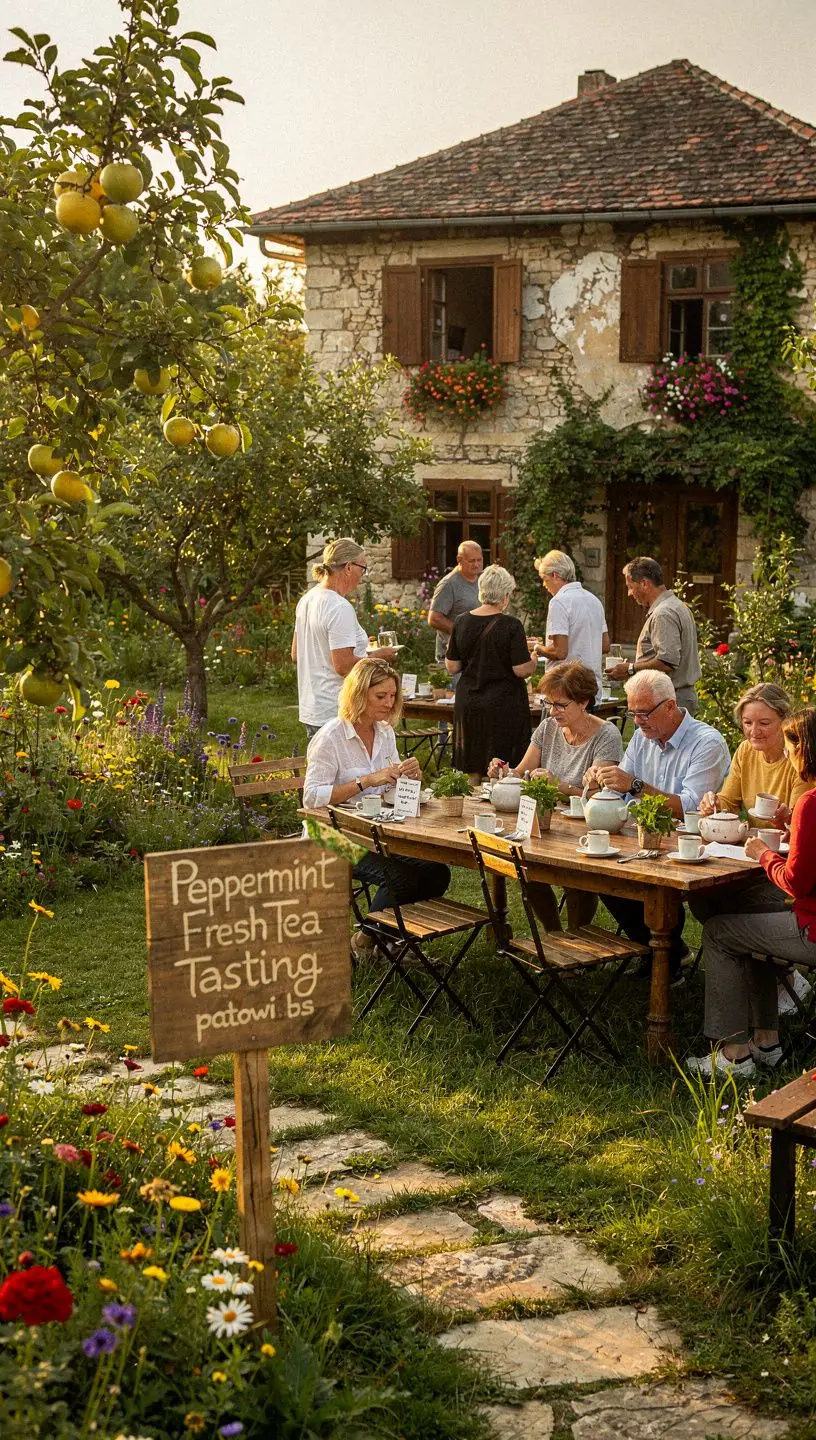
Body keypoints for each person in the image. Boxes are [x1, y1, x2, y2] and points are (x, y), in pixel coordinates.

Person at [686, 707, 816, 1080]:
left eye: (793, 746)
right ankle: (766, 1042)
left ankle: (734, 1054)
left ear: (805, 749)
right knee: (749, 919)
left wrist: (763, 854)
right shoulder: (807, 805)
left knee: (721, 932)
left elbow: (796, 882)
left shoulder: (811, 802)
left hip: (812, 926)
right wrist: (791, 828)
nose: (790, 755)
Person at [584, 670, 730, 977]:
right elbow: (620, 786)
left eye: (644, 712)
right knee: (605, 876)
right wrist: (602, 782)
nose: (637, 721)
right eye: (633, 712)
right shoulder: (642, 736)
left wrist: (635, 785)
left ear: (670, 706)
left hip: (689, 847)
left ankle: (667, 955)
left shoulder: (706, 742)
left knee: (637, 880)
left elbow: (689, 808)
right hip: (643, 840)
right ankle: (664, 952)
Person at [302, 659, 450, 959]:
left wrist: (410, 778)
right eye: (380, 696)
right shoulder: (331, 737)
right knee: (401, 878)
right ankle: (371, 941)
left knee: (437, 873)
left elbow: (390, 789)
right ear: (359, 694)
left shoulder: (384, 733)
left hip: (376, 832)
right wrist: (365, 780)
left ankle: (384, 940)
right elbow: (311, 798)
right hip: (329, 836)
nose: (389, 703)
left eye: (393, 695)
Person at [487, 660, 623, 929]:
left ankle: (576, 940)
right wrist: (502, 770)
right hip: (547, 822)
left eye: (561, 705)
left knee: (579, 880)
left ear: (584, 702)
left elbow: (599, 795)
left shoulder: (606, 734)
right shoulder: (549, 727)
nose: (553, 711)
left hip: (586, 826)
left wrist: (557, 784)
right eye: (549, 703)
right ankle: (553, 934)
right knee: (526, 869)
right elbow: (522, 771)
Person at [292, 538, 396, 742]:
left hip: (311, 706)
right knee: (349, 773)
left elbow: (297, 654)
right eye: (362, 568)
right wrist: (377, 657)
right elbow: (343, 665)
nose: (362, 576)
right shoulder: (339, 607)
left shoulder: (307, 599)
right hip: (337, 708)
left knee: (321, 771)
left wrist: (361, 649)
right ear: (348, 567)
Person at [445, 564, 537, 782]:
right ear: (505, 595)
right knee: (498, 768)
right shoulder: (511, 625)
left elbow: (452, 666)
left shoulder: (461, 621)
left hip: (469, 702)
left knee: (472, 767)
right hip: (502, 705)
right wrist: (533, 659)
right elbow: (521, 669)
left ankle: (470, 811)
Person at [606, 556, 701, 715]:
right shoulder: (676, 605)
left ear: (644, 584)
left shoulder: (663, 613)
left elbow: (667, 661)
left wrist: (630, 669)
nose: (629, 593)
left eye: (630, 586)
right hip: (675, 698)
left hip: (666, 701)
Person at [531, 551, 609, 703]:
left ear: (555, 575)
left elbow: (560, 652)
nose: (544, 585)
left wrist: (537, 648)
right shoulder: (594, 600)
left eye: (544, 579)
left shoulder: (559, 601)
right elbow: (605, 645)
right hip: (592, 688)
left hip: (565, 690)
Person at [427, 541, 484, 682]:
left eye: (479, 560)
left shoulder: (483, 580)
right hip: (453, 658)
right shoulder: (449, 584)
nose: (476, 564)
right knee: (454, 701)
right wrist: (463, 631)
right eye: (472, 561)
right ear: (459, 560)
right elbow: (433, 618)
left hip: (475, 656)